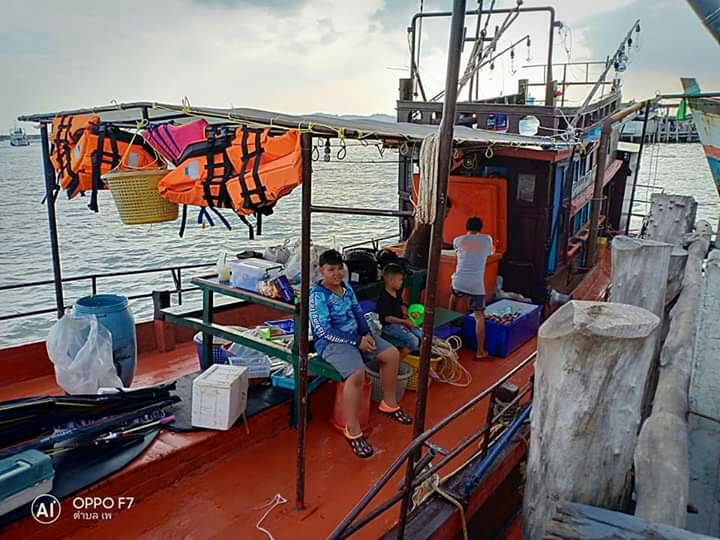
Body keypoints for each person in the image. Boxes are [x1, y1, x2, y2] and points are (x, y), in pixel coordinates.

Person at [310, 249, 413, 459]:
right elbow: (322, 330)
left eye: (340, 269)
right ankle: (352, 429)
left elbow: (358, 312)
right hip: (331, 343)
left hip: (357, 336)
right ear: (321, 271)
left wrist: (366, 335)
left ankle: (389, 404)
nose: (337, 274)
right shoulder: (317, 296)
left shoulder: (346, 288)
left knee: (391, 354)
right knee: (357, 374)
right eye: (331, 270)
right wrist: (357, 341)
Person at [449, 217, 494, 360]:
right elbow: (490, 253)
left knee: (454, 294)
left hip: (459, 281)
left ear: (466, 227)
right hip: (476, 285)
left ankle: (450, 321)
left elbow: (459, 253)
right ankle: (480, 351)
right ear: (481, 228)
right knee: (479, 316)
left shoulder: (457, 240)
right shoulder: (487, 240)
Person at [377, 264, 422, 359]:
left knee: (422, 335)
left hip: (401, 322)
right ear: (390, 281)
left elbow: (401, 303)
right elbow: (387, 318)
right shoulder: (383, 298)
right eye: (400, 280)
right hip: (389, 326)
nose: (401, 282)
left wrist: (405, 311)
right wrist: (404, 322)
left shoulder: (397, 291)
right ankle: (396, 362)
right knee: (413, 340)